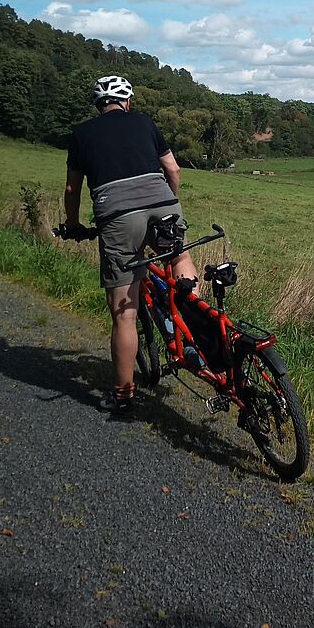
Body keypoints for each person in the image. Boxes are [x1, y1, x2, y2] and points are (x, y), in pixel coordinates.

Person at [62, 75, 196, 416]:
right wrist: (169, 204)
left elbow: (72, 189)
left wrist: (73, 225)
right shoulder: (144, 122)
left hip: (119, 218)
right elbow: (173, 169)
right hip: (164, 204)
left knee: (125, 315)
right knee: (179, 258)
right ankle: (195, 335)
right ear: (127, 102)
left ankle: (123, 397)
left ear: (99, 105)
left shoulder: (81, 134)